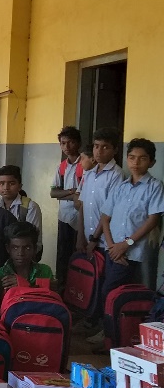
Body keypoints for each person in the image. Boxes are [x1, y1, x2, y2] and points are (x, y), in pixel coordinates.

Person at [99, 138, 164, 299]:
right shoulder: (121, 187)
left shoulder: (155, 186)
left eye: (142, 158)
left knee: (112, 292)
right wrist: (112, 246)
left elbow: (152, 220)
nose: (136, 162)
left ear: (152, 162)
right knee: (113, 293)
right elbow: (105, 217)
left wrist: (125, 245)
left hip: (132, 252)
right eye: (132, 157)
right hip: (113, 250)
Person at [77, 127, 124, 257]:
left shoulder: (116, 175)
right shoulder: (89, 173)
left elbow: (109, 211)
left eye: (105, 147)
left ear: (115, 150)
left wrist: (94, 239)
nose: (99, 151)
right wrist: (80, 236)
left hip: (104, 242)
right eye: (96, 146)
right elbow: (82, 206)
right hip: (86, 238)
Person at [50, 126, 83, 280]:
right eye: (63, 143)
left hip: (81, 217)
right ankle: (62, 285)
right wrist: (72, 192)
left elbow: (84, 196)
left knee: (78, 253)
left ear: (78, 143)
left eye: (71, 142)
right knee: (63, 254)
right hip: (64, 217)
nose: (67, 147)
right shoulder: (62, 166)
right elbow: (53, 193)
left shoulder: (85, 164)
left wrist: (64, 194)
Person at [0, 165, 43, 257]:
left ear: (20, 186)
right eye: (1, 183)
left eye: (11, 183)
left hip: (22, 257)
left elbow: (35, 240)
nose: (6, 187)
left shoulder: (30, 207)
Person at [0, 222, 55, 291]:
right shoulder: (1, 274)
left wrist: (25, 284)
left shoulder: (44, 271)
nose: (21, 253)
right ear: (8, 249)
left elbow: (51, 295)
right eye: (15, 248)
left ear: (35, 249)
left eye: (27, 248)